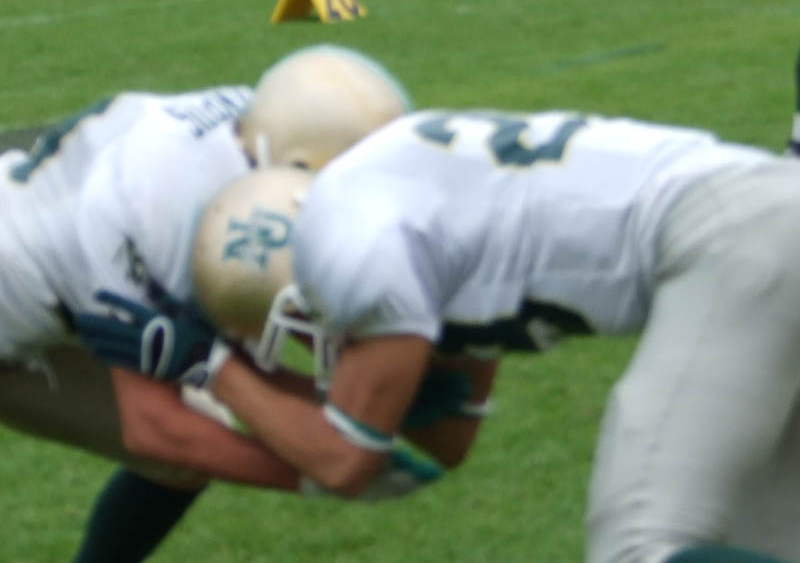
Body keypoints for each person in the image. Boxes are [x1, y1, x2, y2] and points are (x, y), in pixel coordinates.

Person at [85, 105, 800, 563]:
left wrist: (211, 367)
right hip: (764, 208)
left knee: (640, 547)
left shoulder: (351, 245)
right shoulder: (402, 209)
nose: (312, 339)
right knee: (762, 540)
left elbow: (345, 465)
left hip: (738, 241)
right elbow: (450, 439)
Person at [0, 43, 413, 563]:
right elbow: (153, 426)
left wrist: (371, 402)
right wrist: (315, 474)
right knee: (187, 436)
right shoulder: (162, 202)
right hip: (29, 284)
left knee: (193, 436)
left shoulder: (267, 131)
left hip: (54, 274)